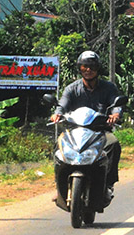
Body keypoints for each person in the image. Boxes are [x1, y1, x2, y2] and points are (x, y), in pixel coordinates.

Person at [52, 51, 123, 195]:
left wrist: (115, 114)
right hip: (74, 131)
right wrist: (57, 114)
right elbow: (62, 104)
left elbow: (116, 104)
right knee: (57, 146)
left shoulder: (108, 88)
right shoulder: (72, 88)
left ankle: (108, 184)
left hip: (100, 131)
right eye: (84, 67)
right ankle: (59, 185)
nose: (88, 70)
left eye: (92, 66)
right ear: (80, 69)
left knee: (114, 144)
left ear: (97, 69)